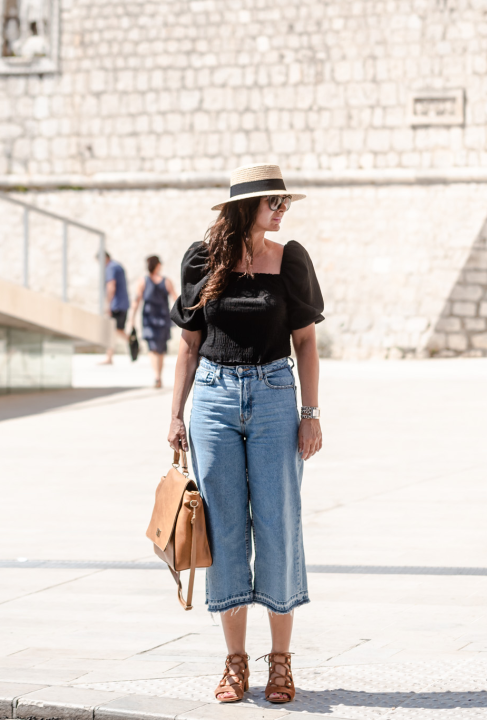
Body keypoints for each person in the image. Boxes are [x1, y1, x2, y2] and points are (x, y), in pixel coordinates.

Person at [167, 164, 323, 705]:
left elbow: (306, 342)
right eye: (272, 202)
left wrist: (311, 412)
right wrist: (174, 416)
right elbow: (189, 345)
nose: (281, 210)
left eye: (284, 202)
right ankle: (235, 662)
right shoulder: (202, 260)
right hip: (212, 400)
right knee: (224, 528)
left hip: (275, 396)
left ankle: (280, 661)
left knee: (279, 525)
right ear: (244, 207)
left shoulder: (290, 259)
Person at [129, 255, 178, 388]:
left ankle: (157, 376)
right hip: (158, 319)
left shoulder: (143, 281)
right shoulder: (166, 281)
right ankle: (158, 376)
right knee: (158, 348)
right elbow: (176, 299)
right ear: (158, 265)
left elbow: (136, 301)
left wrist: (132, 318)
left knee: (154, 348)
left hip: (152, 319)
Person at [102, 252, 130, 364]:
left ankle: (132, 342)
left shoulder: (111, 268)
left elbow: (111, 286)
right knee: (116, 330)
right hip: (122, 303)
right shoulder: (117, 266)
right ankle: (109, 357)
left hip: (116, 304)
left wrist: (108, 304)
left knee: (114, 330)